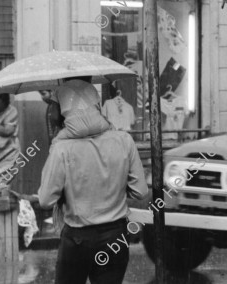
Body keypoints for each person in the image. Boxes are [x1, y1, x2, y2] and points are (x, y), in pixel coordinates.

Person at [38, 80, 148, 284]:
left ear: (64, 113)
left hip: (77, 240)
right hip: (116, 236)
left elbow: (45, 201)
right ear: (97, 106)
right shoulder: (124, 140)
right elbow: (140, 191)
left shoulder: (62, 149)